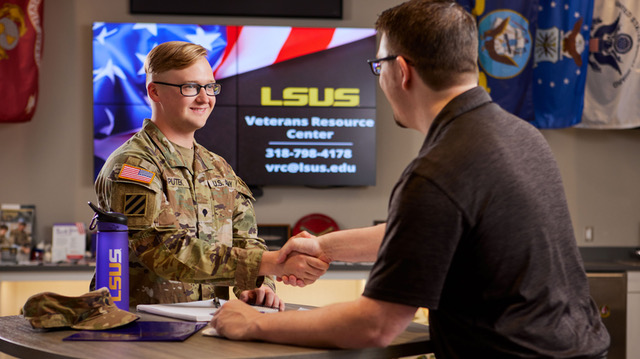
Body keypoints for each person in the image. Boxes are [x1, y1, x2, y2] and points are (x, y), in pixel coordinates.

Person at [210, 1, 610, 357]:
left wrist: (254, 323)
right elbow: (428, 232)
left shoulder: (439, 170)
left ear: (401, 70)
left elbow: (376, 324)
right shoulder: (521, 136)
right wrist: (324, 246)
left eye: (377, 66)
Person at [93, 41, 328, 309]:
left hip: (210, 325)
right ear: (154, 91)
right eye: (190, 87)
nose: (205, 98)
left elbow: (246, 240)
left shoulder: (218, 167)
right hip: (145, 329)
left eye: (210, 87)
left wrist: (258, 288)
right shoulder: (134, 165)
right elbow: (162, 251)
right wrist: (271, 262)